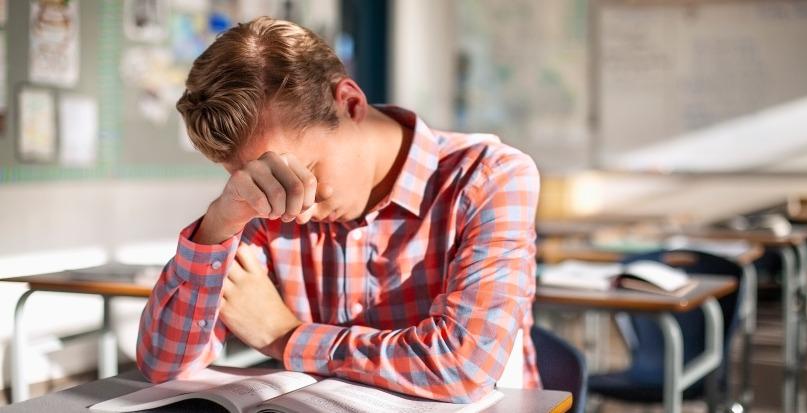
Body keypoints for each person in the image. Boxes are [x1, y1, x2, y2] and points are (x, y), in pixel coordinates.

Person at [136, 17, 541, 403]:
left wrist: (286, 335)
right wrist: (219, 225)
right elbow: (164, 366)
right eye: (264, 179)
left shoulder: (491, 177)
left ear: (349, 103)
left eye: (306, 171)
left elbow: (461, 368)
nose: (294, 209)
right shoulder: (268, 200)